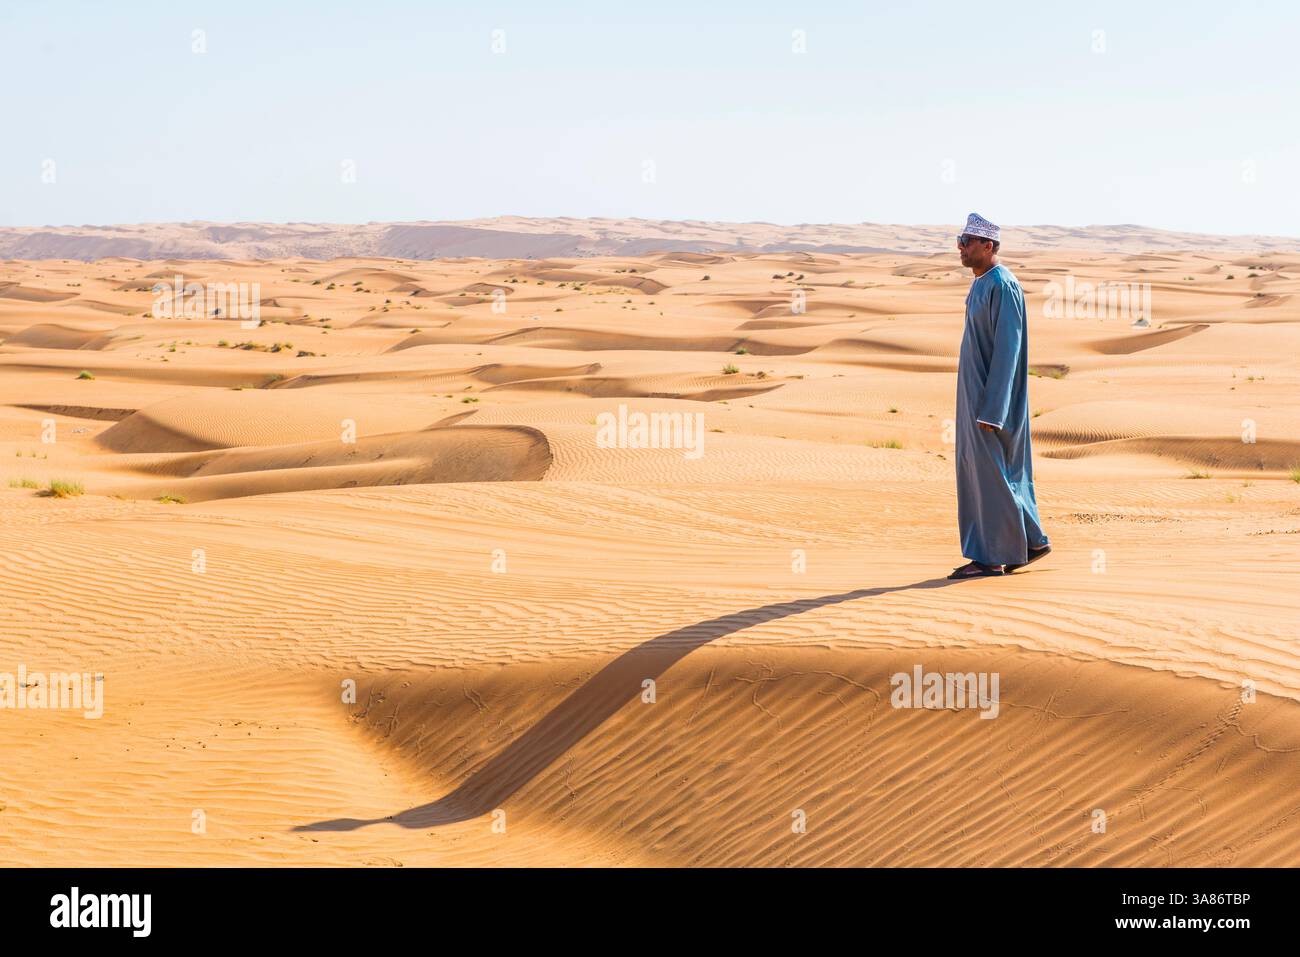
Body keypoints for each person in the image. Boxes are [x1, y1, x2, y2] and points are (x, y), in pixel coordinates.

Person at [948, 213, 1051, 579]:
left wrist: (994, 409)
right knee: (988, 473)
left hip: (992, 406)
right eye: (960, 240)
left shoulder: (1003, 284)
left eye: (967, 241)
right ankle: (1031, 541)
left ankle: (991, 557)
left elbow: (1008, 349)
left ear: (988, 246)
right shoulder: (981, 283)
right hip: (976, 400)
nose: (960, 247)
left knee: (994, 475)